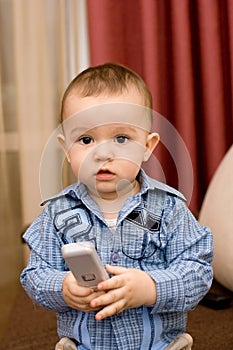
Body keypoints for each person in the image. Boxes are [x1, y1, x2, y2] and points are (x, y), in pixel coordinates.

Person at [20, 62, 213, 350]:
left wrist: (151, 287)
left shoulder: (167, 209)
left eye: (121, 138)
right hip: (87, 342)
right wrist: (62, 288)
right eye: (85, 139)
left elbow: (198, 271)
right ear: (66, 148)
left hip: (155, 343)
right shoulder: (56, 213)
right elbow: (34, 274)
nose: (103, 153)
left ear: (147, 146)